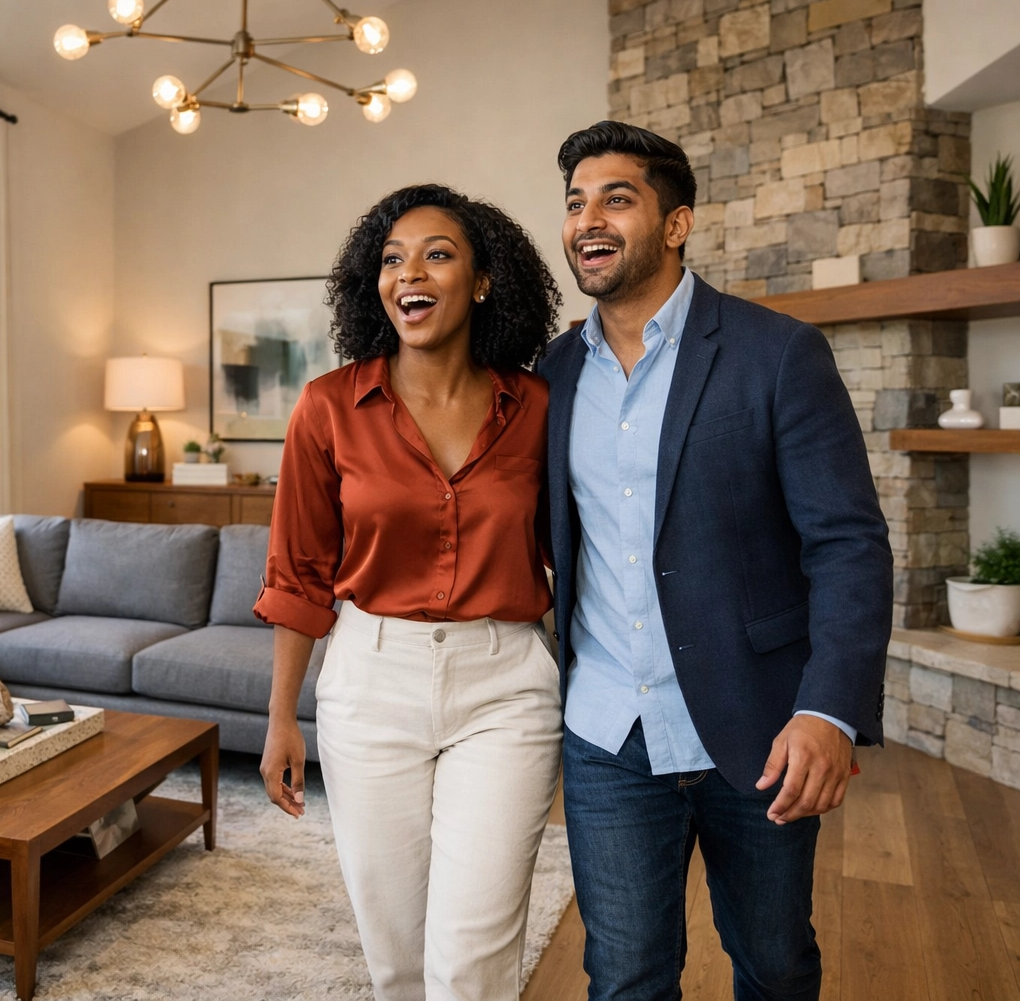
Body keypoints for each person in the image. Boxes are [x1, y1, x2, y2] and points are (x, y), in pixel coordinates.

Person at [539, 120, 893, 1001]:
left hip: (759, 726)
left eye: (617, 198)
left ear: (677, 222)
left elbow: (848, 543)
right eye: (577, 202)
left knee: (774, 965)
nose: (590, 219)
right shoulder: (549, 376)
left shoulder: (777, 353)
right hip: (607, 730)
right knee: (624, 977)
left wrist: (829, 711)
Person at [255, 183, 564, 1001]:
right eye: (392, 259)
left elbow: (580, 552)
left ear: (484, 279)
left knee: (472, 961)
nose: (409, 273)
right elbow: (298, 575)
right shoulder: (327, 408)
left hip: (505, 688)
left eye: (437, 253)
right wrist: (282, 718)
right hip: (370, 680)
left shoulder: (536, 407)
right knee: (395, 958)